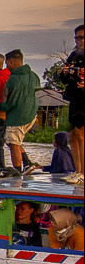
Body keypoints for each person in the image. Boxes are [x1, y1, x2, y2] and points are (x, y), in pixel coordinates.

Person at [0, 49, 39, 175]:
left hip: (17, 116)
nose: (7, 67)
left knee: (13, 143)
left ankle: (18, 171)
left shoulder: (13, 79)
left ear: (12, 62)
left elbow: (10, 102)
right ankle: (28, 162)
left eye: (7, 64)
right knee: (14, 140)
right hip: (32, 113)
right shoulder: (34, 76)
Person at [59, 24, 85, 185]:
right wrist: (65, 73)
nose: (79, 40)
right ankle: (78, 170)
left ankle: (83, 172)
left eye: (82, 37)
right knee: (74, 135)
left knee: (82, 134)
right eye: (77, 37)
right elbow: (64, 75)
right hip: (75, 97)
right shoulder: (74, 55)